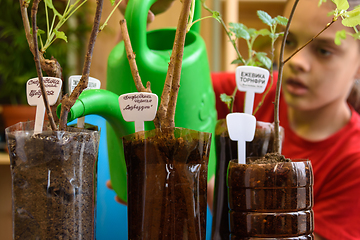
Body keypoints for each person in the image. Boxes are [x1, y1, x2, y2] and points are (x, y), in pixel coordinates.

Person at [110, 0, 360, 239]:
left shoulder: (354, 160)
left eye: (324, 50)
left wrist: (193, 183)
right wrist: (134, 33)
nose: (297, 61)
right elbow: (163, 92)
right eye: (289, 41)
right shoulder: (253, 96)